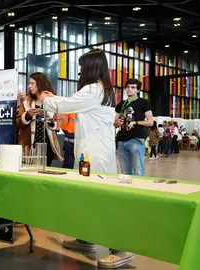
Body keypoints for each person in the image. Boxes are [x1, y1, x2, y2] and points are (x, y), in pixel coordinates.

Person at [41, 49, 135, 269]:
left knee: (102, 200)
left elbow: (67, 104)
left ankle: (121, 248)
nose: (80, 71)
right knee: (85, 197)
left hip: (96, 155)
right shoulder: (103, 89)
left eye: (83, 67)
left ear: (91, 68)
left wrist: (48, 99)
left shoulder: (94, 89)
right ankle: (86, 238)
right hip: (91, 152)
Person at [16, 72, 64, 166]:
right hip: (30, 146)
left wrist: (49, 120)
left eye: (32, 83)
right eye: (29, 83)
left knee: (45, 174)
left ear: (40, 84)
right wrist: (28, 115)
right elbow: (18, 122)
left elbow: (60, 123)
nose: (29, 86)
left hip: (48, 147)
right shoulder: (26, 102)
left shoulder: (53, 101)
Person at [114, 78, 154, 176]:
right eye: (128, 87)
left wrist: (135, 122)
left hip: (136, 139)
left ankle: (140, 190)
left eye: (133, 87)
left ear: (138, 90)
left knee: (138, 171)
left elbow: (150, 122)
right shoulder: (121, 104)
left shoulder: (144, 102)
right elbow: (115, 123)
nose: (129, 89)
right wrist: (118, 123)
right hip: (121, 140)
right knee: (125, 172)